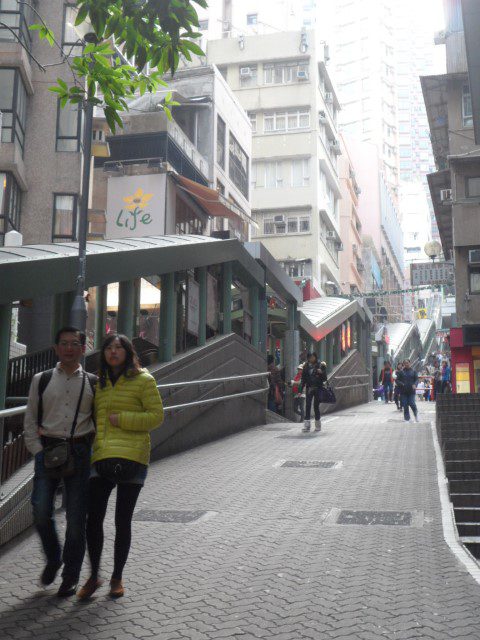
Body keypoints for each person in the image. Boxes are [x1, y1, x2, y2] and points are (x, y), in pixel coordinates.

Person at [78, 334, 164, 600]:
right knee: (92, 519)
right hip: (102, 456)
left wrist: (122, 419)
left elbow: (156, 416)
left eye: (119, 348)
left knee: (122, 520)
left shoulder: (144, 380)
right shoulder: (99, 383)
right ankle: (94, 576)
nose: (113, 352)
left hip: (133, 458)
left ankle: (117, 576)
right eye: (109, 348)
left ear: (128, 352)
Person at [24, 327, 97, 597]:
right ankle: (54, 558)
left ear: (83, 347)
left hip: (79, 451)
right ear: (56, 348)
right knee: (41, 512)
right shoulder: (41, 380)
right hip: (49, 451)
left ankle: (70, 576)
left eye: (74, 343)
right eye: (64, 343)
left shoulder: (93, 381)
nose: (69, 348)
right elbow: (30, 420)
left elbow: (98, 423)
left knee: (77, 520)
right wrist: (38, 451)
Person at [299, 353, 327, 433]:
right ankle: (307, 426)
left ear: (315, 357)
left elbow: (325, 378)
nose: (311, 359)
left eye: (312, 357)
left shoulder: (321, 365)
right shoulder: (306, 366)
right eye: (309, 357)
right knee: (307, 405)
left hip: (318, 388)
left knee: (316, 406)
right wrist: (300, 390)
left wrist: (321, 372)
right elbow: (303, 379)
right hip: (309, 388)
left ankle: (318, 425)